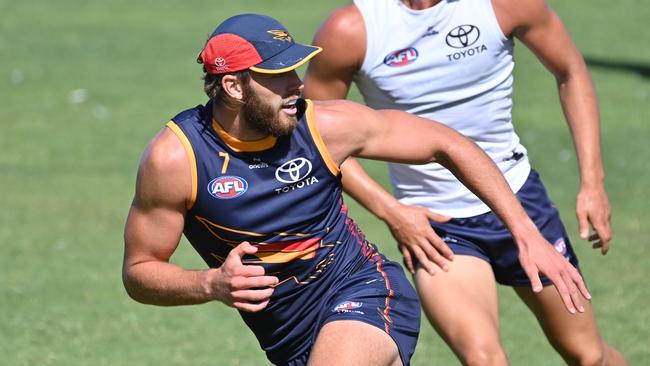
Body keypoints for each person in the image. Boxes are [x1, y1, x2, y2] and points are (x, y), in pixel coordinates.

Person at [122, 13, 590, 366]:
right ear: (234, 87)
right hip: (287, 332)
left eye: (296, 70)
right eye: (279, 77)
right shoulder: (176, 159)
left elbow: (448, 143)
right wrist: (210, 284)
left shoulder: (325, 125)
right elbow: (140, 271)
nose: (297, 85)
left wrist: (526, 233)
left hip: (363, 288)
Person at [303, 0, 627, 365]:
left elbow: (571, 70)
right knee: (484, 359)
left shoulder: (505, 5)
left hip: (520, 200)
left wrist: (593, 183)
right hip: (437, 225)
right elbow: (312, 139)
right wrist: (391, 211)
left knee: (588, 355)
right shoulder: (352, 30)